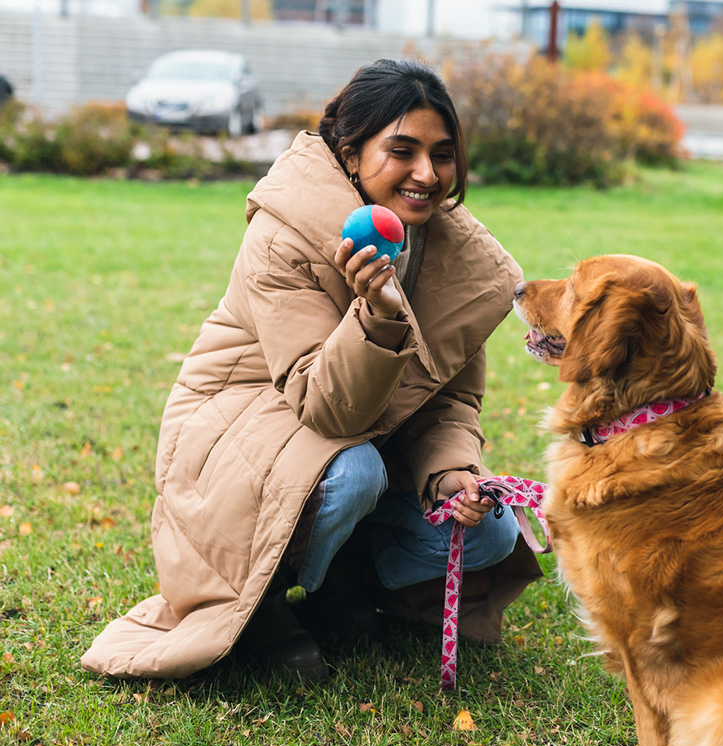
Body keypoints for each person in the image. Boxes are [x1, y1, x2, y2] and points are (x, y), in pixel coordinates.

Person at [81, 58, 542, 683]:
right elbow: (327, 408)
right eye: (401, 150)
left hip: (355, 442)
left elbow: (450, 401)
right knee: (355, 471)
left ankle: (341, 585)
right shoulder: (283, 234)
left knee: (487, 527)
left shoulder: (459, 255)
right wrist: (376, 319)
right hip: (238, 440)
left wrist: (451, 476)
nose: (427, 174)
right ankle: (268, 603)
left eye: (443, 154)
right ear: (350, 153)